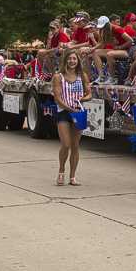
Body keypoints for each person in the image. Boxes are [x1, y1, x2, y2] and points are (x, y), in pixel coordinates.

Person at [52, 49, 91, 186]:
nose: (72, 61)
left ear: (78, 61)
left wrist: (83, 98)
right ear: (65, 60)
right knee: (66, 144)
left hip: (79, 112)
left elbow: (89, 93)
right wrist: (69, 109)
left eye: (74, 59)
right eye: (70, 59)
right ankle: (61, 171)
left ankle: (72, 177)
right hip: (64, 112)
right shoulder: (58, 77)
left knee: (75, 145)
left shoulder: (82, 76)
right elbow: (57, 98)